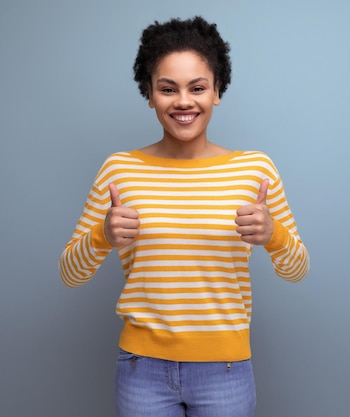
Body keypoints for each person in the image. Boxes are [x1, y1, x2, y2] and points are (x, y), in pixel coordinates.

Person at [59, 15, 309, 417]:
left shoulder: (254, 170)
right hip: (142, 370)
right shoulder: (119, 170)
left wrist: (273, 235)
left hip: (226, 371)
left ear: (217, 92)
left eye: (197, 88)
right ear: (149, 93)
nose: (183, 101)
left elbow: (297, 268)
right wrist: (102, 235)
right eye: (167, 89)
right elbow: (70, 273)